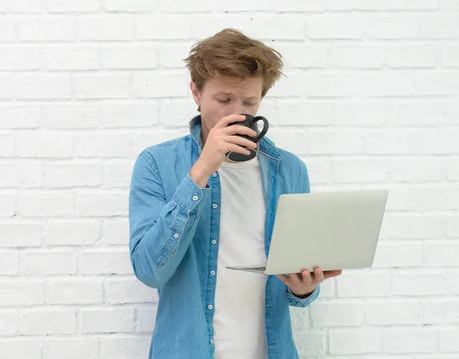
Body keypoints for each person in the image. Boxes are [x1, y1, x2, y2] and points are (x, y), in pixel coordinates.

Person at [128, 28, 342, 359]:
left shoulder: (290, 171)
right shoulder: (157, 164)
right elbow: (150, 271)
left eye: (249, 102)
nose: (237, 113)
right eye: (224, 100)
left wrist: (304, 288)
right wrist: (200, 172)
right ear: (196, 94)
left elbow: (295, 287)